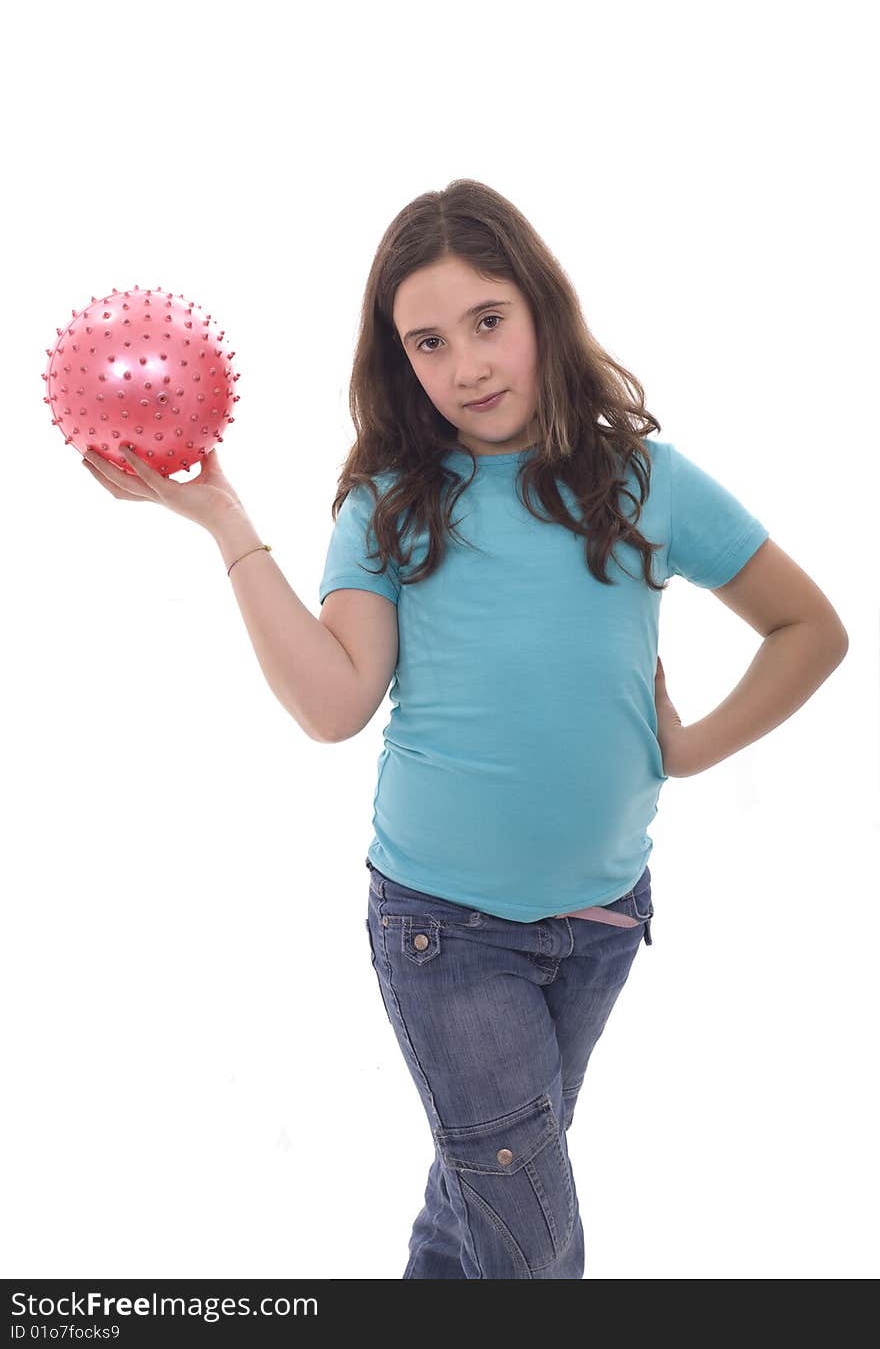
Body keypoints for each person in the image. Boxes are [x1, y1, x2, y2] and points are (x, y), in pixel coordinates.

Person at [81, 178, 849, 1279]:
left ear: (539, 306)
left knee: (475, 1213)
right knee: (532, 1245)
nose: (468, 366)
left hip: (600, 922)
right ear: (403, 363)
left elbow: (807, 629)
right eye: (429, 343)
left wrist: (691, 747)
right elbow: (334, 704)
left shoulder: (646, 481)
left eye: (488, 322)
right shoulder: (394, 499)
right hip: (444, 931)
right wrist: (225, 522)